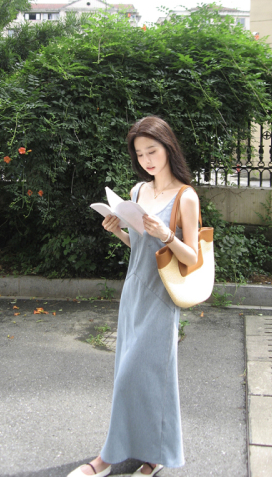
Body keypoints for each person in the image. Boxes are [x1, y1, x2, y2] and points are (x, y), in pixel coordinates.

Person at [67, 116, 199, 477]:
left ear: (168, 148)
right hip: (134, 292)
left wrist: (168, 236)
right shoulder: (139, 192)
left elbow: (193, 258)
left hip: (162, 298)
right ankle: (152, 456)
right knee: (137, 377)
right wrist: (118, 230)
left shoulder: (186, 196)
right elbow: (139, 246)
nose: (147, 160)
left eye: (152, 151)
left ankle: (104, 460)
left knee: (137, 376)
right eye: (140, 154)